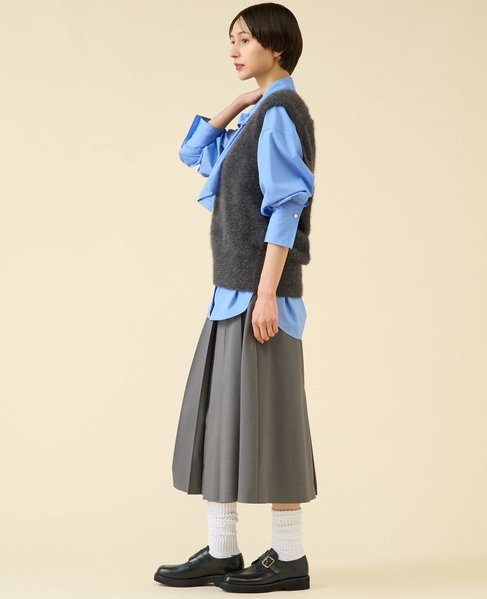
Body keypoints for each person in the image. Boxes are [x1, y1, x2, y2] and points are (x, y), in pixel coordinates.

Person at [154, 2, 317, 593]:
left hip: (257, 296)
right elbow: (193, 155)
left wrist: (267, 293)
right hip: (232, 294)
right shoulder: (260, 113)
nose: (233, 49)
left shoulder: (283, 114)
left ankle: (290, 558)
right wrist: (239, 102)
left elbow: (287, 205)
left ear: (277, 46)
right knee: (220, 420)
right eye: (231, 39)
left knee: (272, 421)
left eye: (245, 39)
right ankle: (223, 550)